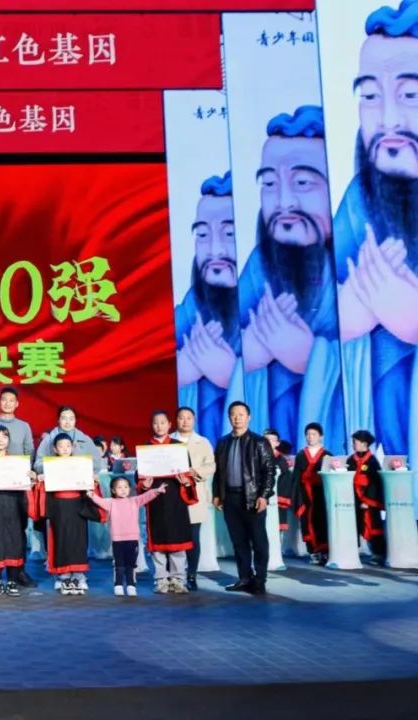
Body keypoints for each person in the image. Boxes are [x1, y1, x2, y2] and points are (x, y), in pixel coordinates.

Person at [334, 1, 418, 466]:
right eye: (369, 95)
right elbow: (320, 311)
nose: (387, 120)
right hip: (392, 452)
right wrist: (348, 312)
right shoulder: (361, 199)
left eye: (410, 95)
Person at [239, 106, 343, 456]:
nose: (283, 202)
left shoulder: (361, 255)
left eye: (302, 183)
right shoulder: (261, 264)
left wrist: (311, 354)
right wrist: (250, 351)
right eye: (270, 184)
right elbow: (216, 337)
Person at [174, 172, 242, 445]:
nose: (215, 250)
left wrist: (232, 372)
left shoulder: (264, 295)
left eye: (229, 234)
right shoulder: (193, 306)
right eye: (202, 235)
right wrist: (185, 366)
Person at [213, 401, 276, 595]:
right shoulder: (223, 442)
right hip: (230, 498)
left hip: (252, 498)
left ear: (249, 417)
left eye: (241, 414)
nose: (237, 418)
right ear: (229, 417)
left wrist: (264, 496)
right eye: (233, 414)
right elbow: (218, 472)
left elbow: (269, 471)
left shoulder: (259, 442)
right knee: (238, 541)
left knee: (258, 541)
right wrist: (217, 494)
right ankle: (244, 578)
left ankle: (260, 579)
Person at [0, 386, 37, 588]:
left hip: (17, 487)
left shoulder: (24, 426)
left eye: (12, 400)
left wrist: (25, 475)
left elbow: (29, 452)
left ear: (17, 403)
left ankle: (17, 571)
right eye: (4, 399)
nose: (8, 403)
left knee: (17, 530)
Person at [33, 433, 105, 596]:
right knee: (61, 539)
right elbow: (42, 487)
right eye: (61, 446)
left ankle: (79, 575)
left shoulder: (80, 464)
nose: (65, 449)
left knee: (78, 539)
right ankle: (63, 575)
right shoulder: (51, 465)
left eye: (68, 446)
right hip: (58, 506)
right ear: (55, 449)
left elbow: (88, 485)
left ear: (72, 447)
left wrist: (92, 481)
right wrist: (41, 480)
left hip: (77, 505)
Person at [139, 411, 198, 595]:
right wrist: (144, 484)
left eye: (163, 422)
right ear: (152, 425)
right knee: (158, 543)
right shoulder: (146, 449)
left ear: (169, 424)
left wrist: (185, 481)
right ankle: (161, 580)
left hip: (176, 499)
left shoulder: (178, 448)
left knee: (177, 541)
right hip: (155, 501)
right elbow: (139, 478)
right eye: (156, 423)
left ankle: (178, 579)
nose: (159, 426)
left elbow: (188, 475)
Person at [88, 476, 165, 596]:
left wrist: (157, 491)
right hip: (117, 540)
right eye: (119, 487)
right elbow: (99, 500)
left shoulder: (134, 501)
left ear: (129, 489)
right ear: (113, 490)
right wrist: (92, 495)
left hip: (132, 539)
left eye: (126, 487)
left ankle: (131, 585)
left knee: (131, 564)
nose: (123, 490)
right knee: (119, 564)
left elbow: (146, 496)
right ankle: (118, 585)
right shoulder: (111, 503)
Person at [172, 406, 216, 591]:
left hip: (194, 494)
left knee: (193, 537)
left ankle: (191, 574)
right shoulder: (169, 440)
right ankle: (174, 575)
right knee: (173, 537)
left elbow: (211, 465)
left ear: (194, 420)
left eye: (188, 418)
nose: (185, 421)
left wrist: (194, 471)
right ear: (176, 420)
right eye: (181, 417)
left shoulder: (203, 442)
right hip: (173, 495)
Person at [293, 422, 330, 564]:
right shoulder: (301, 455)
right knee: (307, 521)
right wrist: (295, 496)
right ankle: (313, 552)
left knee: (322, 520)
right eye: (308, 434)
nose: (310, 437)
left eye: (313, 434)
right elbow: (296, 478)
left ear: (321, 436)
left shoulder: (327, 455)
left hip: (321, 493)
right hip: (305, 493)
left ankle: (325, 551)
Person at [348, 430, 386, 565]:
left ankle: (378, 554)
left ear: (364, 444)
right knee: (354, 525)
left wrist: (367, 501)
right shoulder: (350, 460)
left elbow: (375, 483)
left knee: (373, 525)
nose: (353, 444)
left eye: (355, 442)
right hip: (353, 499)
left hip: (368, 500)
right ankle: (351, 552)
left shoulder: (372, 461)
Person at [35, 406, 104, 475]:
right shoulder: (48, 440)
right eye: (64, 418)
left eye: (71, 419)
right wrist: (56, 465)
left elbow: (97, 463)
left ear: (75, 420)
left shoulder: (85, 439)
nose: (67, 422)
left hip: (80, 479)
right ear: (58, 420)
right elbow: (37, 465)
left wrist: (80, 467)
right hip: (56, 479)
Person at [263, 429, 297, 535]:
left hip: (276, 501)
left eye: (272, 440)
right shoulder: (255, 457)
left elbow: (285, 483)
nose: (268, 442)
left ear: (277, 443)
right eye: (266, 439)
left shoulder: (281, 461)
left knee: (275, 530)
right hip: (259, 500)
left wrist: (281, 499)